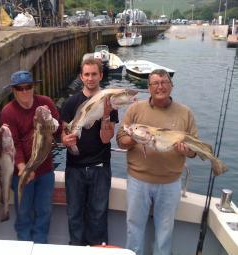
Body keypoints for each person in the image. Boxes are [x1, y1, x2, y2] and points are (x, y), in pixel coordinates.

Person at [116, 69, 198, 255]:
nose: (160, 86)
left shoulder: (185, 113)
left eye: (164, 82)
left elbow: (193, 151)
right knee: (134, 228)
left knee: (165, 233)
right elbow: (121, 141)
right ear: (149, 87)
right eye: (155, 83)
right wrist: (136, 138)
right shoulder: (135, 109)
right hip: (138, 181)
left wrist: (188, 150)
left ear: (171, 85)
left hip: (170, 183)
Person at [60, 58, 118, 246]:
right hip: (75, 168)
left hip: (100, 167)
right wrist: (65, 139)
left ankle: (97, 249)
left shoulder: (109, 101)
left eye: (94, 74)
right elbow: (64, 132)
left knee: (98, 216)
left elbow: (106, 138)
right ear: (81, 77)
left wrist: (107, 114)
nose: (90, 78)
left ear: (101, 75)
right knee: (74, 215)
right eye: (87, 74)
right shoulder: (71, 103)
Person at [1, 70, 60, 243]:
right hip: (21, 172)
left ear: (34, 87)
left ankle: (40, 247)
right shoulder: (8, 112)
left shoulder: (45, 103)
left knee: (44, 212)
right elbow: (13, 144)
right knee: (24, 214)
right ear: (13, 90)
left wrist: (57, 129)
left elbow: (58, 128)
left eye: (28, 87)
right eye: (20, 88)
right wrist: (23, 168)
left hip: (45, 170)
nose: (25, 91)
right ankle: (25, 247)